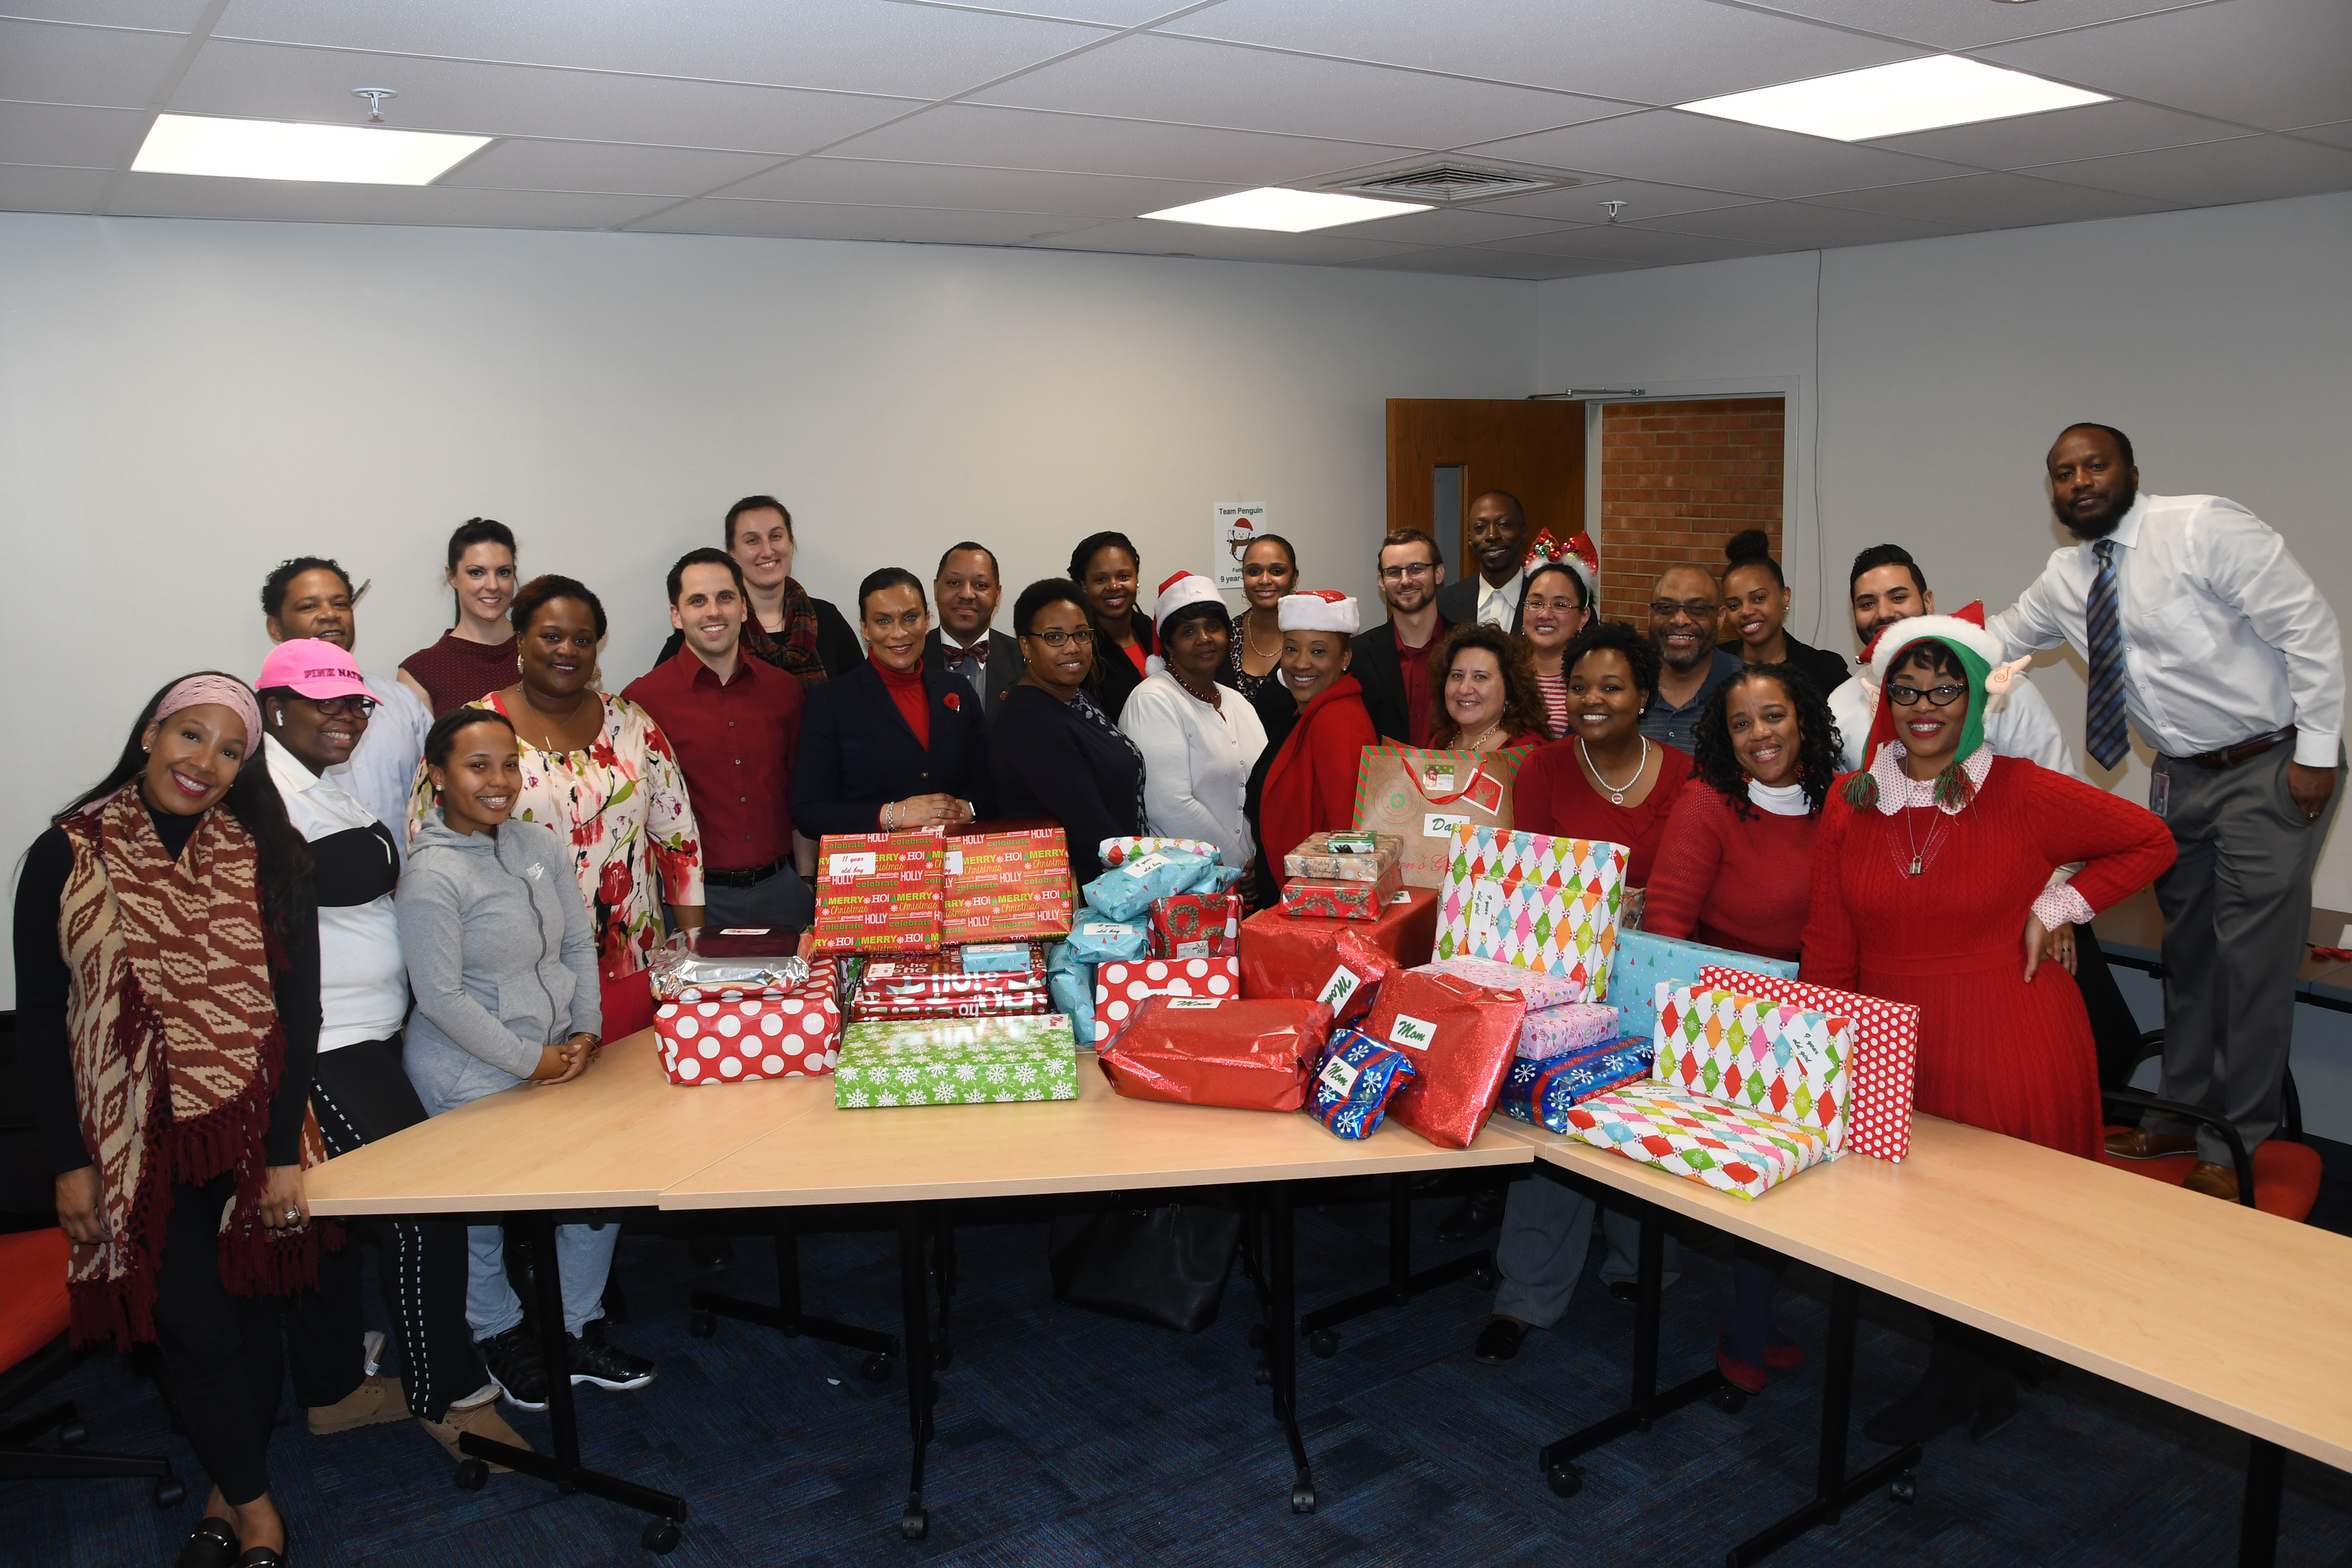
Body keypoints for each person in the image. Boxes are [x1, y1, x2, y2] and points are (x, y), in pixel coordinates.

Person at [1805, 609, 2174, 1443]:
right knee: (1917, 1228)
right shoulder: (1849, 799)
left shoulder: (2023, 789)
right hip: (1898, 1045)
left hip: (2006, 1037)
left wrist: (2060, 902)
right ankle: (1979, 1368)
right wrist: (1821, 1054)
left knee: (1993, 1231)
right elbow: (1829, 939)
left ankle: (1971, 1373)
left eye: (1945, 688)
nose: (1925, 705)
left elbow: (2150, 840)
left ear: (1977, 696)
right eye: (1907, 690)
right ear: (1885, 699)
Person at [1992, 423, 2346, 1202]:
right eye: (2062, 472)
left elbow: (2309, 630)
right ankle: (2183, 1115)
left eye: (2094, 464)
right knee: (2189, 956)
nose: (2079, 480)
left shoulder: (2204, 528)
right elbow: (1998, 642)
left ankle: (2242, 1138)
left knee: (2251, 965)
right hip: (2179, 777)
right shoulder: (2065, 574)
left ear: (2130, 470)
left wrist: (2318, 752)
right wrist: (1906, 652)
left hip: (2270, 762)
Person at [14, 674, 322, 1566]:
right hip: (131, 1140)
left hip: (249, 1126)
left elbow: (297, 1017)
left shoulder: (269, 850)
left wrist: (279, 1155)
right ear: (150, 732)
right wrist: (69, 1160)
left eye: (231, 750)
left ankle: (229, 1490)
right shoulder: (66, 853)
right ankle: (261, 1508)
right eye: (191, 735)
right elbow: (41, 1019)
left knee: (252, 1308)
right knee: (192, 1324)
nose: (206, 762)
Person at [253, 641, 522, 1465]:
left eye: (356, 704)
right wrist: (364, 858)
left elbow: (345, 869)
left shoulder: (320, 789)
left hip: (372, 1030)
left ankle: (335, 1389)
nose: (345, 716)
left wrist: (358, 860)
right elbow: (295, 877)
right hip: (323, 1044)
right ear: (273, 708)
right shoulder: (255, 791)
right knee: (422, 1205)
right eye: (322, 702)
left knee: (333, 1223)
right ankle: (450, 1392)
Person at [399, 707, 657, 1414]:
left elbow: (577, 946)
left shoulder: (538, 843)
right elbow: (442, 999)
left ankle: (574, 1328)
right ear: (438, 776)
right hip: (469, 1072)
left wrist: (585, 1032)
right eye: (477, 767)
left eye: (508, 765)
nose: (498, 781)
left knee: (599, 1191)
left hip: (555, 1060)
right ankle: (501, 1332)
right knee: (483, 1217)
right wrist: (531, 1060)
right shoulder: (431, 876)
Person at [1834, 544, 2145, 1092]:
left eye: (1898, 596)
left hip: (2009, 922)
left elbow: (2063, 806)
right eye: (1867, 602)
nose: (1882, 611)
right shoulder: (1840, 706)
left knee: (2059, 1060)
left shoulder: (2008, 695)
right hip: (1906, 939)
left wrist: (2057, 904)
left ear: (1928, 600)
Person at [1641, 664, 1843, 1396]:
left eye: (1774, 716)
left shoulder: (1840, 799)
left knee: (1807, 1184)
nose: (1761, 734)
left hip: (1822, 1009)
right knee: (1765, 1180)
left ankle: (1757, 1315)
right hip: (1729, 1020)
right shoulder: (1708, 803)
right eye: (1741, 723)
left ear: (1803, 717)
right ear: (1723, 737)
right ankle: (1749, 1324)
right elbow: (1665, 923)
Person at [411, 576, 704, 1044]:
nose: (567, 649)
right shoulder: (472, 731)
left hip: (629, 959)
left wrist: (695, 946)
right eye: (551, 636)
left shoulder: (632, 724)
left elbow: (679, 841)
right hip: (518, 979)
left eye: (582, 640)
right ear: (520, 639)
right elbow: (428, 851)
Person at [625, 549, 813, 931]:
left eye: (725, 597)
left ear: (744, 608)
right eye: (698, 600)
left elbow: (799, 796)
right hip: (692, 905)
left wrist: (807, 884)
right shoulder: (643, 702)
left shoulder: (784, 690)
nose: (713, 611)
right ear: (677, 615)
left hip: (783, 895)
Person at [794, 568, 996, 839]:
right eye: (883, 621)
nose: (899, 633)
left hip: (956, 866)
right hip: (872, 873)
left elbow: (989, 782)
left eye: (910, 618)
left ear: (927, 620)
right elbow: (809, 812)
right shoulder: (830, 702)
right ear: (865, 628)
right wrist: (896, 814)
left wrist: (969, 809)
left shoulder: (958, 690)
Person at [262, 555, 434, 861]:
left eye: (340, 604)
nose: (330, 615)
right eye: (309, 606)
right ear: (275, 628)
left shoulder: (401, 702)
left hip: (413, 890)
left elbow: (434, 795)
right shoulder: (262, 716)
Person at [1512, 620, 1695, 891]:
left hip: (1660, 932)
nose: (1591, 699)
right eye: (1579, 688)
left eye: (1611, 688)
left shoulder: (1688, 777)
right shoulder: (1543, 770)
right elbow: (1527, 880)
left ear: (1643, 698)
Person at [996, 579, 1148, 884]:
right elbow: (1092, 831)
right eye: (1054, 637)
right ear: (1025, 645)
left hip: (1115, 881)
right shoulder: (1031, 722)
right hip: (1084, 900)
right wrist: (1157, 873)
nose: (1072, 648)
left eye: (1081, 634)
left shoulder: (1072, 696)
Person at [1120, 572, 1268, 872]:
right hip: (1187, 879)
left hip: (1251, 874)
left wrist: (1261, 863)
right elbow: (1168, 806)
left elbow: (1264, 790)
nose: (1204, 639)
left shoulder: (1237, 702)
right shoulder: (1152, 699)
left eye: (1213, 627)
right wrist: (1238, 865)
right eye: (1188, 632)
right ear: (1169, 645)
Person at [656, 495, 860, 687]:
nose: (767, 551)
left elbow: (859, 695)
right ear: (732, 554)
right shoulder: (711, 626)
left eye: (775, 536)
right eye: (752, 540)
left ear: (791, 543)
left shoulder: (826, 618)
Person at [1254, 591, 1377, 888]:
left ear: (1345, 658)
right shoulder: (1306, 713)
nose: (1301, 663)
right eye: (1292, 649)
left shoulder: (1337, 720)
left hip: (1312, 899)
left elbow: (1348, 837)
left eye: (1319, 651)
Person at [400, 518, 521, 716]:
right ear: (452, 576)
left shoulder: (541, 650)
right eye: (476, 573)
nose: (493, 585)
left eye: (503, 572)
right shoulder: (421, 672)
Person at [1718, 529, 1849, 698]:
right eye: (1735, 605)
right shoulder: (1713, 666)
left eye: (1759, 598)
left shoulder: (1824, 670)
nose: (1746, 611)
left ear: (1785, 597)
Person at [1354, 528, 1452, 746]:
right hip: (1382, 779)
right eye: (1394, 572)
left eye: (1416, 569)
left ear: (1439, 573)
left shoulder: (1469, 648)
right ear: (1382, 581)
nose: (1406, 581)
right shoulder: (1357, 656)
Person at [1642, 564, 1743, 755]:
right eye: (1666, 608)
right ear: (1650, 615)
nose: (1680, 620)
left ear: (1720, 618)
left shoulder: (1749, 688)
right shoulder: (1624, 684)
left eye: (1697, 609)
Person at [924, 541, 1021, 717]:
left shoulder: (1025, 660)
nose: (967, 594)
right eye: (954, 583)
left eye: (980, 585)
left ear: (998, 595)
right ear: (936, 589)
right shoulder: (911, 659)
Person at [1426, 623, 1549, 755]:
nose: (1464, 689)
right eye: (1457, 676)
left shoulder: (1531, 752)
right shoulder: (1440, 741)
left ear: (1510, 688)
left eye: (1480, 677)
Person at [1519, 539, 1599, 738]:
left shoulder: (1595, 681)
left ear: (1584, 617)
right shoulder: (1504, 672)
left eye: (1560, 605)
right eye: (1536, 603)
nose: (1545, 614)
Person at [1071, 532, 1155, 720]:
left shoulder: (1156, 632)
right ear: (1084, 584)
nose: (1114, 586)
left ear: (1136, 578)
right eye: (1101, 580)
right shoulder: (1077, 646)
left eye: (1124, 576)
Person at [1435, 490, 1530, 631]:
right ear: (1469, 539)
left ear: (1523, 533)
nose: (1492, 535)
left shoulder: (1546, 599)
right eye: (1481, 528)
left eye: (1504, 525)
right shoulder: (1442, 603)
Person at [1225, 533, 1301, 703]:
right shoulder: (1225, 636)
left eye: (1276, 571)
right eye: (1254, 572)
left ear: (1294, 578)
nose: (1265, 580)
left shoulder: (1310, 636)